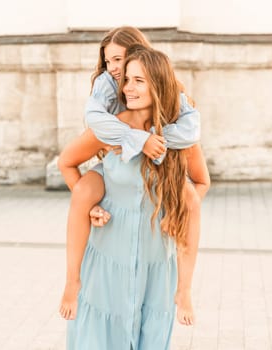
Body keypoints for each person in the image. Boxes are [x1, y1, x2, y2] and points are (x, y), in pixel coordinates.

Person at [58, 44, 210, 350]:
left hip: (156, 257)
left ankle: (184, 290)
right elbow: (67, 162)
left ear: (159, 83)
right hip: (109, 254)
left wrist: (176, 212)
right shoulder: (112, 128)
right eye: (126, 79)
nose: (128, 87)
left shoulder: (177, 133)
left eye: (139, 80)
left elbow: (201, 182)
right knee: (99, 337)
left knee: (190, 198)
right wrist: (89, 207)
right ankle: (71, 282)